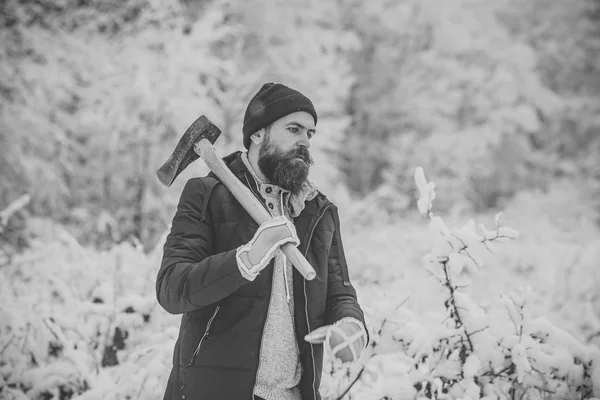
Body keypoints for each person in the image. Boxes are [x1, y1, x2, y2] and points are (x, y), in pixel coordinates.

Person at [156, 82, 368, 400]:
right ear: (258, 133)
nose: (304, 142)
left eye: (310, 133)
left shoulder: (317, 211)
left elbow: (339, 290)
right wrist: (248, 256)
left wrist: (351, 323)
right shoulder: (208, 194)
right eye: (293, 129)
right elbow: (172, 288)